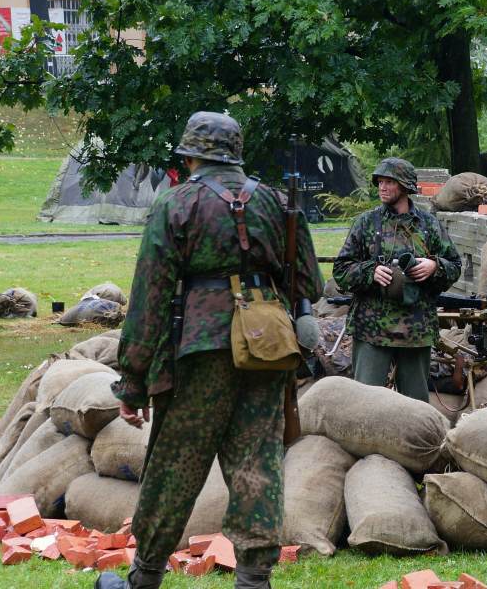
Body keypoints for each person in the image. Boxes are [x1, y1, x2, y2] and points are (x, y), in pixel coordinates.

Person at [98, 112, 323, 589]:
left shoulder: (176, 204)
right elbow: (308, 284)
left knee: (176, 462)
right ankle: (254, 580)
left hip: (199, 349)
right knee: (257, 462)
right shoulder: (276, 203)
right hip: (266, 349)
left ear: (192, 155)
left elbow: (149, 296)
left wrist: (133, 380)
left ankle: (146, 576)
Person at [333, 157, 461, 401]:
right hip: (373, 329)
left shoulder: (428, 225)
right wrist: (370, 272)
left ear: (405, 186)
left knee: (415, 407)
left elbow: (455, 265)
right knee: (366, 403)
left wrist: (434, 266)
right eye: (380, 181)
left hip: (416, 329)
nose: (382, 187)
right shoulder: (366, 223)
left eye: (389, 182)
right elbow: (341, 270)